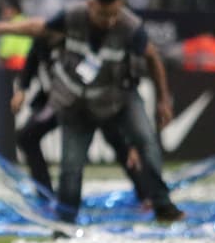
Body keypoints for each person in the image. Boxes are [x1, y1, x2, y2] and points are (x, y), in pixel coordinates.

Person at [0, 0, 185, 224]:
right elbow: (38, 31)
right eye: (104, 14)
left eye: (115, 13)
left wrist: (163, 100)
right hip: (75, 104)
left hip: (117, 100)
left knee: (144, 143)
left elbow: (152, 57)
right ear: (91, 4)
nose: (110, 20)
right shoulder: (72, 17)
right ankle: (65, 221)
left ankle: (161, 204)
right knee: (70, 166)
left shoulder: (130, 26)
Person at [11, 35, 145, 202]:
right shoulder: (42, 40)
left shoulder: (81, 37)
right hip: (56, 101)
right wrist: (22, 89)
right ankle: (45, 195)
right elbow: (32, 62)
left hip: (91, 101)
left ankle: (145, 194)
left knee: (117, 140)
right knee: (27, 136)